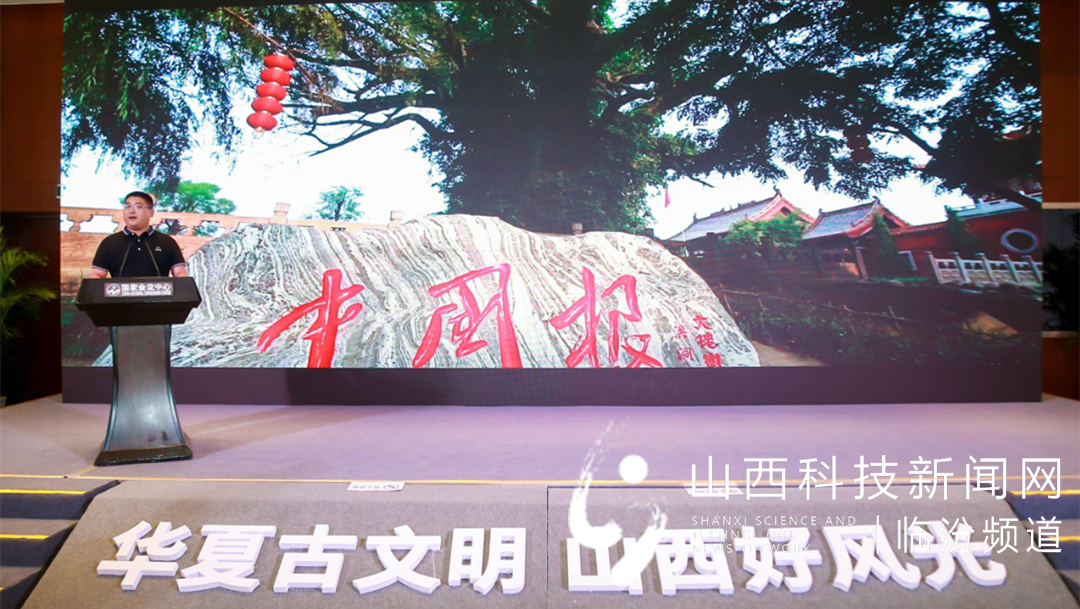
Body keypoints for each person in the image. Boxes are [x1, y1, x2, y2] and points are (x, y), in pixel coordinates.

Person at [90, 191, 189, 278]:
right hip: (121, 293)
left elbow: (180, 273)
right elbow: (97, 275)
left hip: (159, 293)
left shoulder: (167, 242)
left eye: (138, 206)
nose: (131, 211)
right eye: (127, 206)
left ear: (151, 213)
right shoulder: (109, 243)